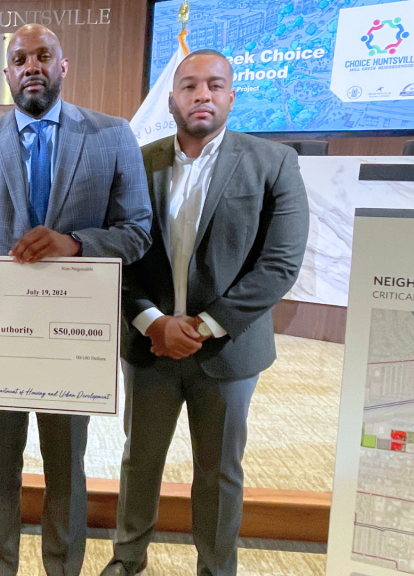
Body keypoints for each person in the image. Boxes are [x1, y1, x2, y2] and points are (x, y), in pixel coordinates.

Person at [0, 24, 152, 576]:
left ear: (64, 67)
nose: (31, 65)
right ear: (7, 73)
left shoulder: (113, 136)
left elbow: (137, 232)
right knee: (0, 471)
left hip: (72, 341)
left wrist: (77, 244)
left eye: (43, 56)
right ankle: (1, 569)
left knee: (67, 469)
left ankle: (63, 569)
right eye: (19, 58)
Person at [104, 50, 309, 576]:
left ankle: (216, 568)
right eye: (190, 86)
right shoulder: (137, 161)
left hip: (228, 349)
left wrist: (201, 325)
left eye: (215, 86)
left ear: (232, 96)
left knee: (219, 472)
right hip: (149, 345)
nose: (202, 95)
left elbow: (280, 263)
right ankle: (128, 559)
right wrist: (153, 322)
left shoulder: (273, 162)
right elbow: (116, 256)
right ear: (172, 99)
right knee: (138, 462)